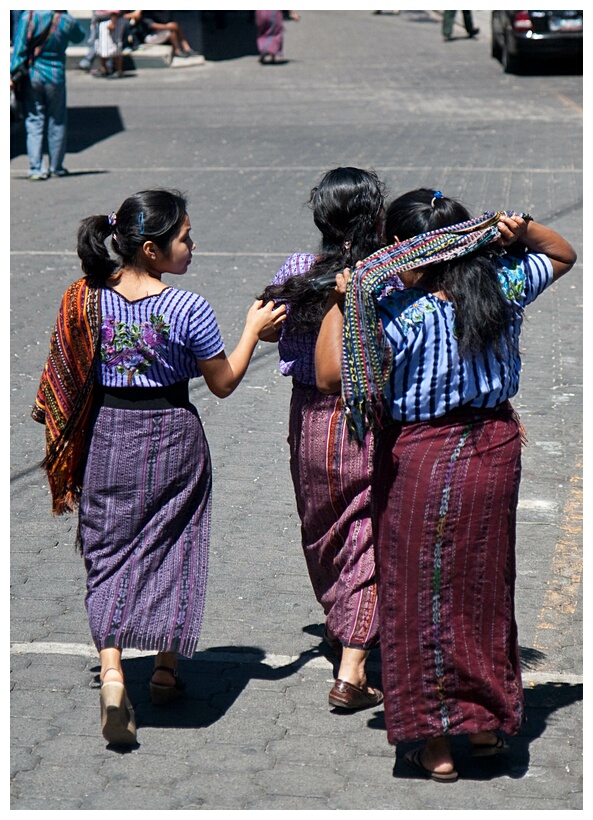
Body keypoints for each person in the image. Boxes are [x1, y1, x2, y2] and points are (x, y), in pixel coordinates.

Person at [315, 188, 576, 780]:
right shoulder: (501, 287)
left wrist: (343, 302)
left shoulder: (396, 313)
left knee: (415, 595)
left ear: (402, 250)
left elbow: (332, 376)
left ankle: (432, 742)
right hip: (493, 452)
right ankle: (482, 726)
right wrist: (522, 229)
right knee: (481, 588)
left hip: (423, 457)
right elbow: (561, 255)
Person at [31, 189, 286, 746]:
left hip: (107, 436)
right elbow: (222, 384)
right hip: (173, 436)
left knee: (106, 549)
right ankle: (166, 671)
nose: (192, 246)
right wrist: (252, 330)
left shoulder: (86, 299)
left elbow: (66, 371)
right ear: (152, 249)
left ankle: (116, 673)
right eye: (185, 237)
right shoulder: (187, 307)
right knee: (174, 543)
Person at [258, 167, 387, 711]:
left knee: (323, 526)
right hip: (363, 417)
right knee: (365, 532)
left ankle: (342, 628)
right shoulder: (383, 273)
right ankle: (354, 669)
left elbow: (270, 323)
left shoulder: (298, 269)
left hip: (308, 420)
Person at [9, 10, 85, 180]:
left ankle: (36, 168)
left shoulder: (29, 16)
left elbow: (19, 48)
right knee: (57, 120)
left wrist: (12, 73)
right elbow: (80, 36)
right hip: (56, 76)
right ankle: (56, 166)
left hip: (32, 75)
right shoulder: (65, 20)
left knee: (34, 120)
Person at [125, 11, 199, 58]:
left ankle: (187, 49)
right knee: (170, 31)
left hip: (155, 34)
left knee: (176, 26)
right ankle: (178, 51)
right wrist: (168, 26)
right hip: (147, 37)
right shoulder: (144, 16)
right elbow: (153, 26)